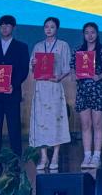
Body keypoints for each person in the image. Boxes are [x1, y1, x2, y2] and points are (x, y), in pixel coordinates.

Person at [0, 14, 30, 156]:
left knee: (14, 127)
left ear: (13, 28)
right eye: (1, 26)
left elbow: (23, 70)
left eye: (7, 25)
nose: (4, 28)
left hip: (12, 93)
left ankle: (16, 157)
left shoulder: (21, 47)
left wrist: (13, 85)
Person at [30, 16, 71, 171]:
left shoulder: (63, 45)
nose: (49, 29)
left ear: (57, 29)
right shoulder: (38, 46)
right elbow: (32, 68)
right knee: (41, 121)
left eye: (52, 27)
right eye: (46, 27)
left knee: (55, 120)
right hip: (41, 88)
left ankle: (55, 155)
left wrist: (59, 77)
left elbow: (67, 68)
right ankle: (43, 156)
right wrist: (33, 64)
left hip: (54, 86)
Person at [71, 21, 102, 168]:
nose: (90, 35)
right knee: (85, 124)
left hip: (98, 91)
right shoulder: (78, 50)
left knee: (98, 124)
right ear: (83, 34)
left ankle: (97, 156)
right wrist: (75, 75)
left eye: (92, 32)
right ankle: (87, 155)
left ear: (97, 34)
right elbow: (72, 68)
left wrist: (99, 76)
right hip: (83, 91)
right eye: (87, 32)